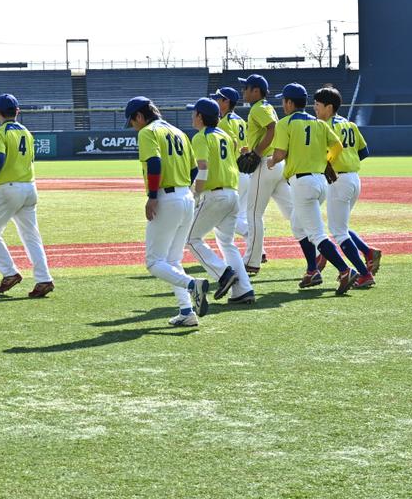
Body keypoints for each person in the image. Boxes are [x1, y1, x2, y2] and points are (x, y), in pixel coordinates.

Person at [266, 83, 373, 294]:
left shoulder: (285, 123)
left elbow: (279, 154)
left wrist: (270, 161)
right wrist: (326, 160)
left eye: (284, 101)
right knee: (297, 225)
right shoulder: (319, 123)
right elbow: (337, 146)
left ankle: (345, 270)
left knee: (317, 234)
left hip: (302, 183)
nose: (283, 105)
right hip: (321, 182)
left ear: (290, 103)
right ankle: (312, 270)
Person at [125, 96, 208, 327]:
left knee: (154, 262)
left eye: (132, 121)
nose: (133, 126)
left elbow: (154, 163)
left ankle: (193, 285)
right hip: (186, 197)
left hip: (166, 198)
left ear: (140, 116)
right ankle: (187, 311)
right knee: (172, 260)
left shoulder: (148, 132)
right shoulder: (178, 132)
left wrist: (152, 196)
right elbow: (193, 170)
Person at [0, 93, 53, 298]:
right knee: (31, 236)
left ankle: (9, 273)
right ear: (17, 111)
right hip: (30, 187)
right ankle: (44, 279)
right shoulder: (27, 132)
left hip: (10, 189)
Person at [186, 98, 254, 304]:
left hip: (215, 195)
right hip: (232, 194)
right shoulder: (224, 135)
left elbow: (203, 168)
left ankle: (223, 274)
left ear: (200, 116)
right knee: (226, 242)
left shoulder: (201, 137)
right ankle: (243, 289)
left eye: (194, 113)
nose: (192, 116)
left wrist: (195, 194)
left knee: (190, 239)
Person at [313, 86, 382, 278]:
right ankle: (367, 252)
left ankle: (364, 272)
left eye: (318, 104)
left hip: (338, 180)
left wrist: (333, 162)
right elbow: (363, 152)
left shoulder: (324, 126)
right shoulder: (349, 124)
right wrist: (347, 161)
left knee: (338, 231)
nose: (315, 108)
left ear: (329, 107)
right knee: (340, 226)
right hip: (354, 179)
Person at [238, 74, 293, 275]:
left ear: (256, 91)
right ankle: (318, 246)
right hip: (276, 165)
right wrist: (252, 149)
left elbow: (272, 129)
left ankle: (252, 261)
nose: (243, 91)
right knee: (293, 212)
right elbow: (270, 131)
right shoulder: (266, 107)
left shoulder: (258, 108)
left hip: (266, 164)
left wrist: (257, 152)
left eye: (246, 87)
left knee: (253, 214)